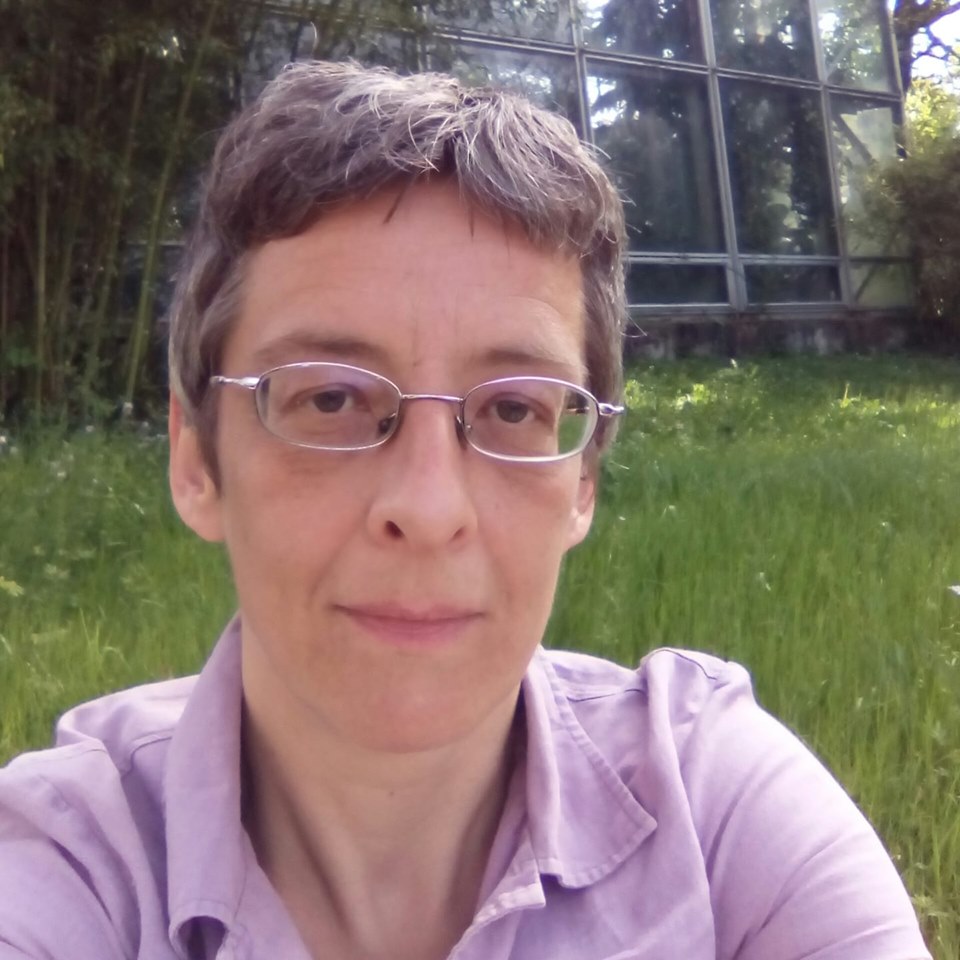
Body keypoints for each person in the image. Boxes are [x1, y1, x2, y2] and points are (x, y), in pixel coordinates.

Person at [0, 60, 930, 960]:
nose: (429, 507)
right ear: (197, 458)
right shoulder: (71, 862)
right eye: (331, 397)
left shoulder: (718, 810)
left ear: (584, 483)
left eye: (514, 409)